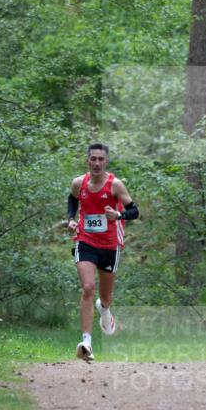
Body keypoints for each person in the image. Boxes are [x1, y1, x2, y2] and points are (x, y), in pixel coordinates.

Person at [66, 143, 139, 362]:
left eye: (101, 159)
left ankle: (104, 309)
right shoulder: (79, 183)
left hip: (110, 245)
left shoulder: (115, 185)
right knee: (88, 287)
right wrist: (71, 219)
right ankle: (86, 343)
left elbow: (135, 211)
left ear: (106, 162)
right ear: (87, 160)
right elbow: (72, 198)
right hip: (85, 241)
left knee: (105, 297)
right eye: (93, 159)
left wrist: (118, 216)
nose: (97, 163)